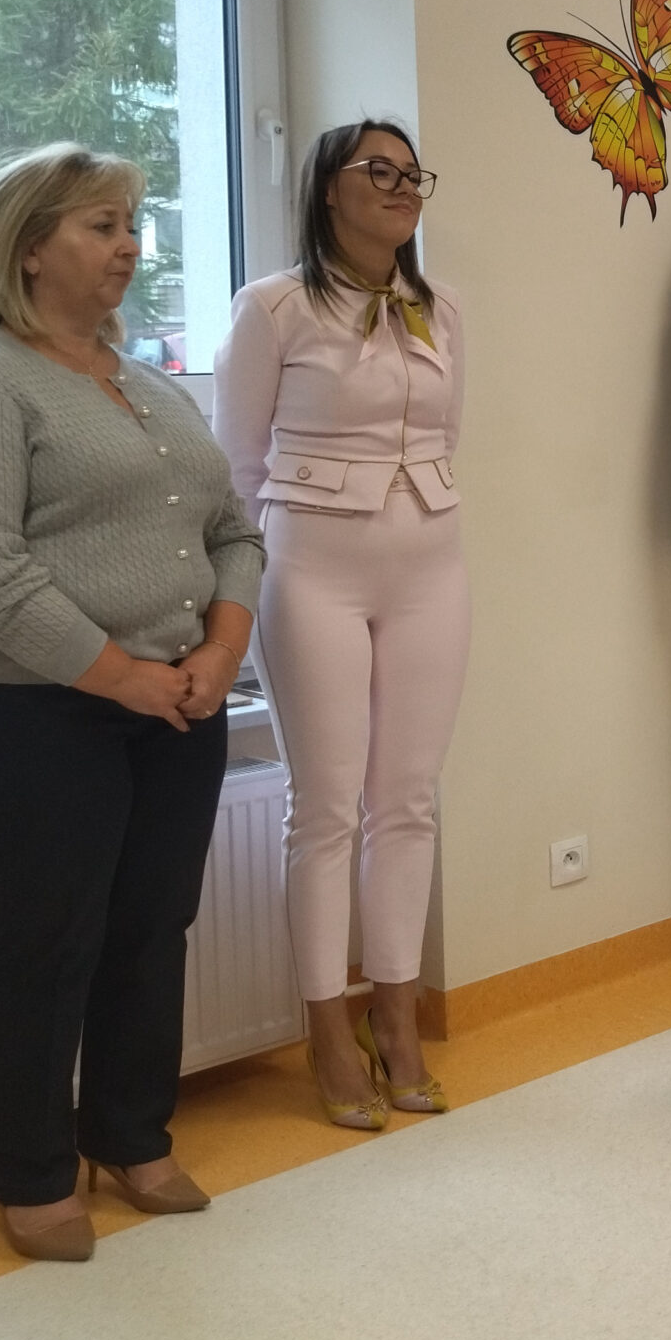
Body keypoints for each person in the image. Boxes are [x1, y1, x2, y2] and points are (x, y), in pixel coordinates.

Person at [0, 145, 265, 1262]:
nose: (128, 248)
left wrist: (221, 648)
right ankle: (31, 1173)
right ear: (29, 248)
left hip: (179, 700)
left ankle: (130, 1137)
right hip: (35, 713)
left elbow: (232, 532)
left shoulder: (150, 384)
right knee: (47, 941)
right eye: (101, 227)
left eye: (130, 226)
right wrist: (126, 675)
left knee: (152, 929)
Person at [213, 120, 466, 1130]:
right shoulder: (272, 307)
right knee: (325, 807)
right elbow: (237, 469)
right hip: (310, 567)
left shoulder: (441, 310)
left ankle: (396, 1020)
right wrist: (238, 589)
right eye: (378, 171)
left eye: (413, 173)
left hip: (431, 563)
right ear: (328, 189)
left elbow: (451, 436)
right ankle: (327, 1028)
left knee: (408, 801)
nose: (402, 187)